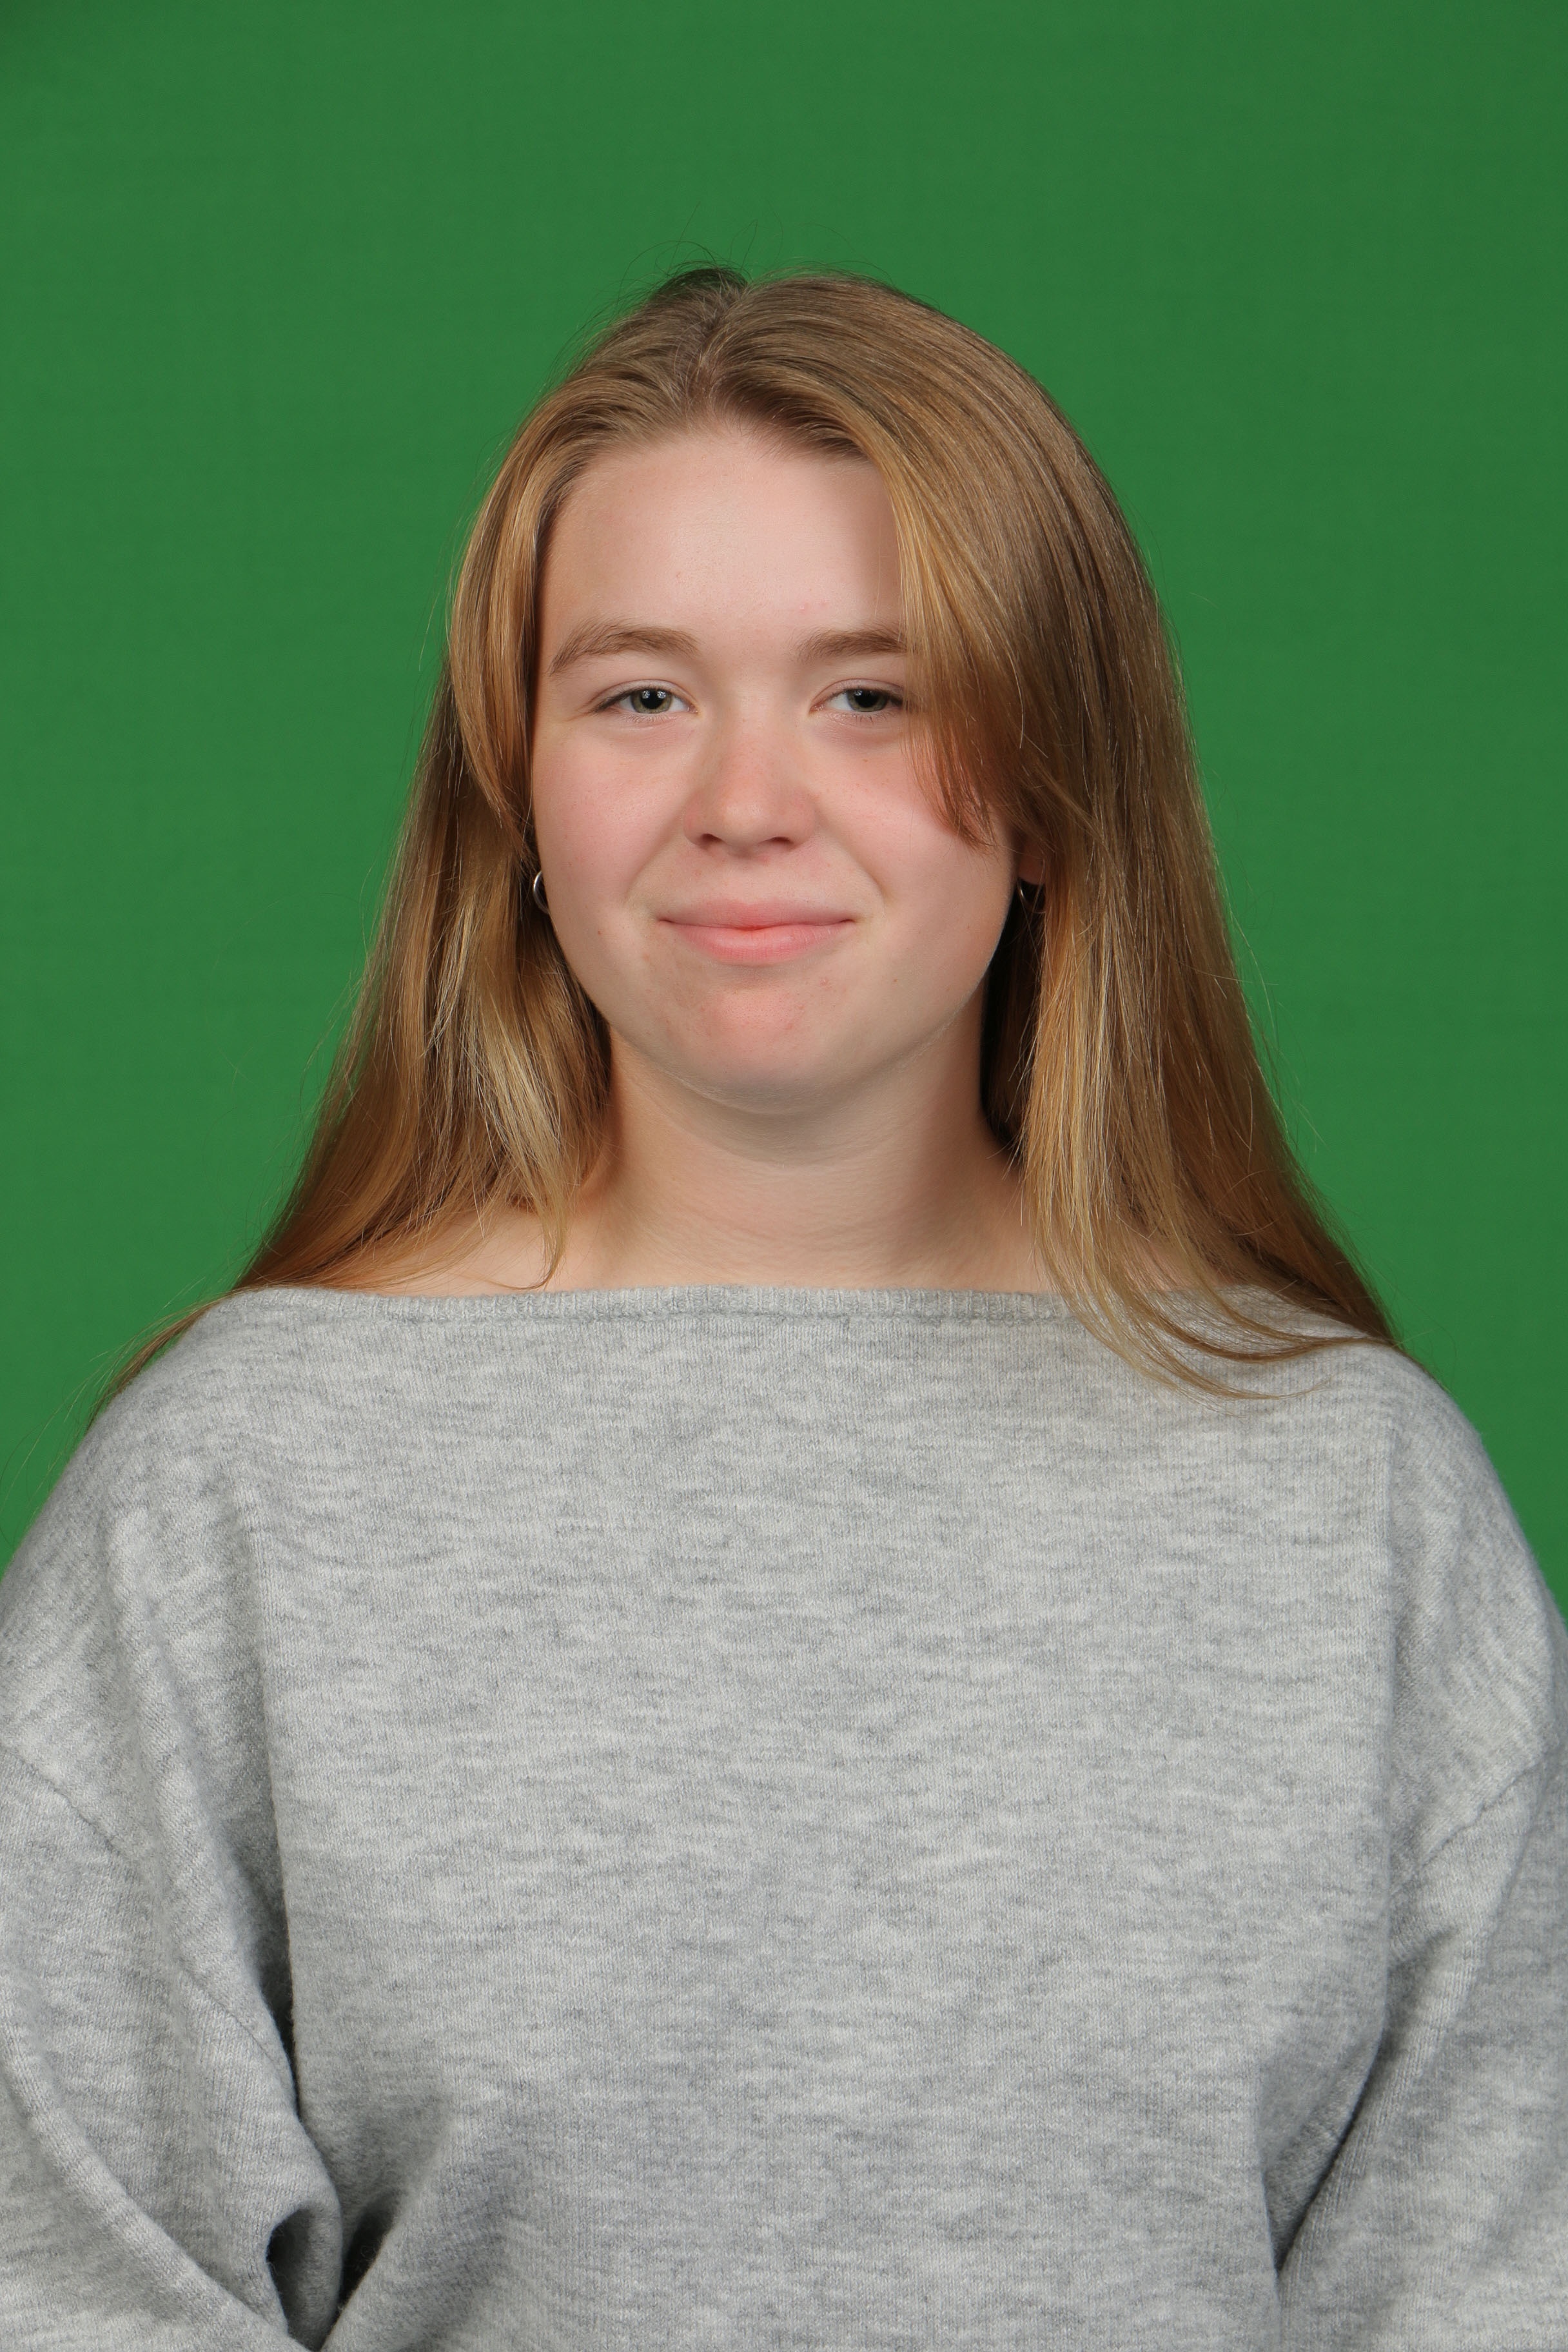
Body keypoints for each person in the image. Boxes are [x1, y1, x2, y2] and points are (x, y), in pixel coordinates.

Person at [0, 267, 1562, 2349]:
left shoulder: (1356, 1506)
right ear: (518, 795)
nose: (747, 800)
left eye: (873, 696)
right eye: (641, 696)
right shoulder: (235, 1491)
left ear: (1053, 785)